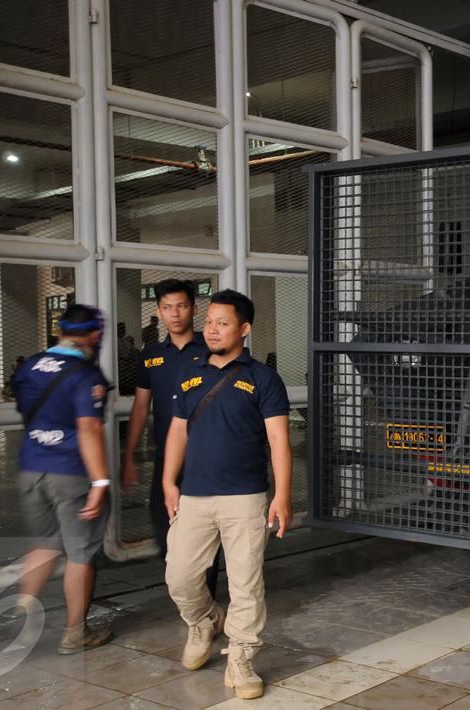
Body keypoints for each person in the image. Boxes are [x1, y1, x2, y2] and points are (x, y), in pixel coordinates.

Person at [162, 289, 292, 700]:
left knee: (246, 583)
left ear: (244, 328)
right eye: (210, 322)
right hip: (195, 495)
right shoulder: (191, 372)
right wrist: (168, 480)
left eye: (223, 322)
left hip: (245, 497)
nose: (213, 329)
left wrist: (282, 494)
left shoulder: (263, 379)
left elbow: (279, 440)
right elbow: (178, 430)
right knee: (179, 575)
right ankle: (202, 620)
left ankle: (242, 656)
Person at [11, 304, 114, 654]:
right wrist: (100, 481)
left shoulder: (30, 366)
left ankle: (21, 615)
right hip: (71, 473)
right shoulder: (85, 375)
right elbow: (87, 428)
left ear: (59, 330)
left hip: (31, 467)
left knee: (42, 546)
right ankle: (74, 634)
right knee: (79, 554)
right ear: (93, 334)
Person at [121, 280, 221, 595]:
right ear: (158, 312)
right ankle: (189, 598)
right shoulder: (150, 355)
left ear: (193, 308)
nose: (174, 314)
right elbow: (140, 407)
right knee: (166, 527)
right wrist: (129, 456)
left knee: (208, 530)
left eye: (181, 306)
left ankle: (205, 602)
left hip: (209, 455)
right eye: (167, 307)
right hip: (168, 458)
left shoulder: (212, 347)